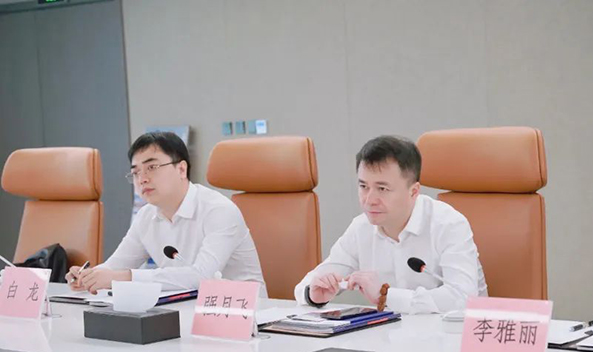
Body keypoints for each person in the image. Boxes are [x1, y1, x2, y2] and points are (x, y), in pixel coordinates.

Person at [294, 135, 487, 314]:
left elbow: (463, 298)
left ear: (413, 191)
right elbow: (308, 284)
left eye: (382, 188)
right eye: (363, 186)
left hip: (453, 335)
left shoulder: (448, 224)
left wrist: (386, 296)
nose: (369, 200)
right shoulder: (361, 228)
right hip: (390, 335)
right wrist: (313, 295)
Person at [68, 131, 266, 295]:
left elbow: (201, 277)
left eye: (152, 167)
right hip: (185, 309)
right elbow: (116, 266)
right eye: (136, 172)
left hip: (244, 314)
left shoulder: (219, 210)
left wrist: (124, 277)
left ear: (181, 169)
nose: (142, 179)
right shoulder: (146, 216)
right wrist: (89, 276)